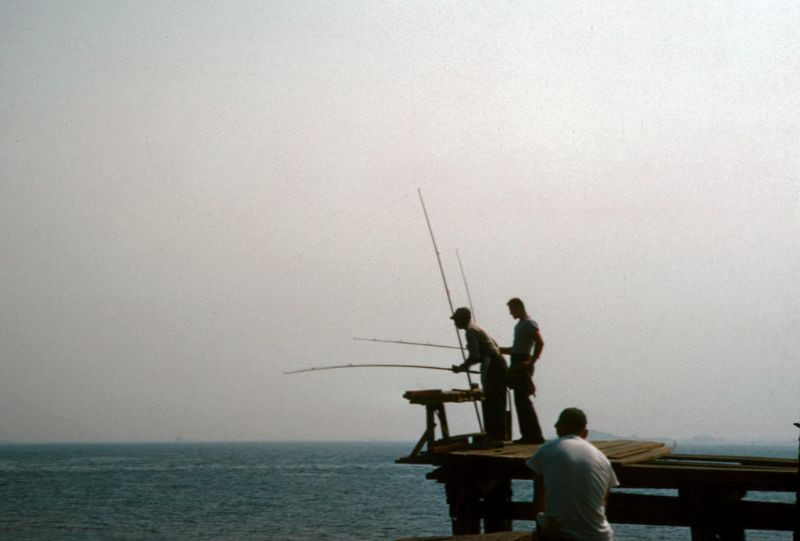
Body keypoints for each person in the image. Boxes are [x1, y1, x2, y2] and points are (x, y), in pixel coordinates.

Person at [526, 408, 620, 541]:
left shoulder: (546, 450)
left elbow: (538, 500)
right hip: (601, 536)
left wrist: (541, 520)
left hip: (562, 535)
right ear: (585, 432)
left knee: (539, 530)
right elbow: (604, 501)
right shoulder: (602, 458)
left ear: (558, 427)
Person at [450, 307, 508, 443]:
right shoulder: (477, 328)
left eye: (456, 319)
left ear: (464, 318)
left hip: (492, 364)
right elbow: (495, 345)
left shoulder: (470, 331)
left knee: (491, 399)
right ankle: (499, 435)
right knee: (497, 400)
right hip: (500, 363)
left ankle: (494, 436)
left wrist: (461, 368)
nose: (455, 323)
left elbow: (475, 357)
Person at [499, 297, 545, 444]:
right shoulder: (519, 325)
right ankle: (528, 435)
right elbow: (516, 349)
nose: (510, 313)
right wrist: (498, 350)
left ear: (519, 307)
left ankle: (534, 435)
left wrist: (531, 361)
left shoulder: (528, 323)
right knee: (520, 400)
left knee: (523, 399)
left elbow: (540, 342)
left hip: (522, 363)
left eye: (511, 310)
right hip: (517, 360)